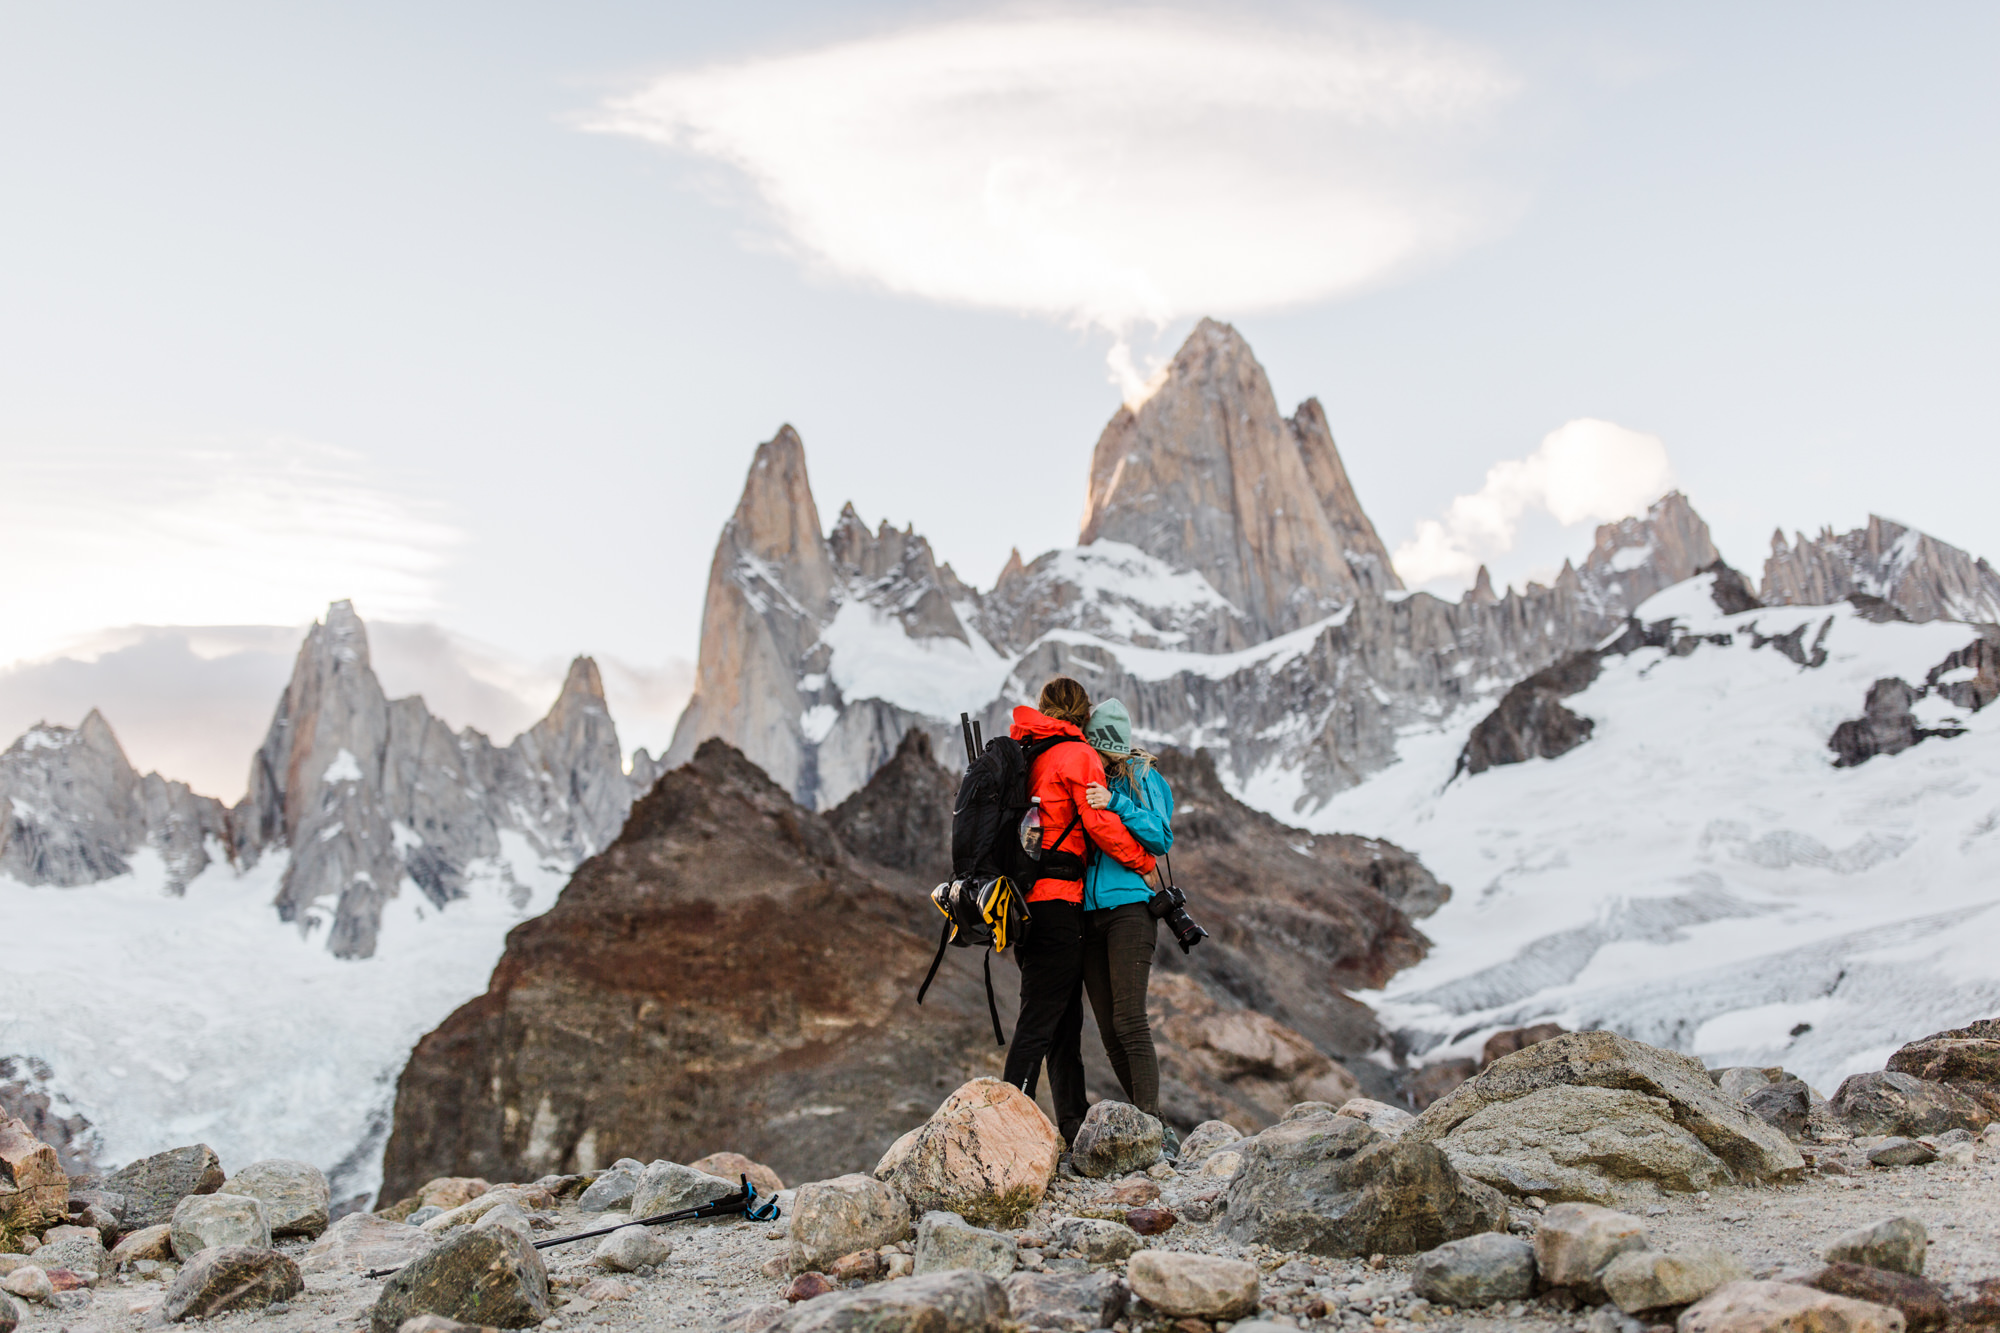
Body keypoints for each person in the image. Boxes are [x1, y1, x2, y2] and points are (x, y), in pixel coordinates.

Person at [1002, 676, 1159, 1145]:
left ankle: (1069, 1123)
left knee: (1060, 1023)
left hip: (1020, 905)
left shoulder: (1026, 754)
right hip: (1058, 905)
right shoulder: (1077, 755)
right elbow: (1100, 825)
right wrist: (1143, 862)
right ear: (1082, 714)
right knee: (1041, 1021)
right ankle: (1008, 1128)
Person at [1077, 697, 1179, 1158]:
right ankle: (1143, 1121)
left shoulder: (1142, 776)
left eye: (1098, 750)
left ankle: (1151, 1127)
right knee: (1107, 1028)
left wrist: (1114, 801)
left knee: (1130, 1019)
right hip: (1085, 913)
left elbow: (1160, 836)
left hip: (1131, 912)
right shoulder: (1082, 771)